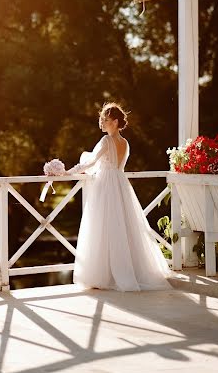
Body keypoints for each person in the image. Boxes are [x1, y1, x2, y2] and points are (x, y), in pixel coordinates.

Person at [66, 102, 172, 291]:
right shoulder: (125, 143)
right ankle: (126, 270)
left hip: (106, 185)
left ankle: (104, 274)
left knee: (102, 227)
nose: (102, 123)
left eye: (105, 120)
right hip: (121, 184)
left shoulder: (107, 141)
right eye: (101, 120)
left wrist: (67, 172)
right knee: (123, 228)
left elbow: (90, 162)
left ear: (115, 122)